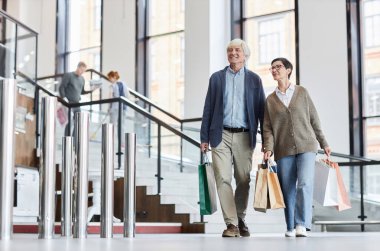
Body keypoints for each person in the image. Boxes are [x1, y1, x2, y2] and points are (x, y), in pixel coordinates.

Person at [200, 38, 265, 237]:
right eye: (230, 50)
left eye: (237, 50)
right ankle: (231, 224)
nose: (233, 53)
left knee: (244, 179)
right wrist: (204, 137)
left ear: (245, 55)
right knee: (222, 178)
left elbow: (262, 111)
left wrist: (267, 142)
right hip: (220, 135)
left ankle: (240, 217)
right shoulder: (217, 78)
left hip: (245, 136)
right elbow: (208, 108)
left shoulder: (254, 80)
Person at [262, 57, 332, 238]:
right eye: (272, 68)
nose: (274, 70)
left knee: (305, 183)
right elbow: (267, 128)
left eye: (278, 67)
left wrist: (323, 142)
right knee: (287, 188)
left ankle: (302, 223)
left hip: (306, 145)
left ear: (288, 70)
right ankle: (291, 225)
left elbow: (314, 119)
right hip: (283, 148)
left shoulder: (302, 92)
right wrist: (267, 148)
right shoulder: (270, 100)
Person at [58, 61, 97, 135]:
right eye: (81, 70)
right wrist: (63, 99)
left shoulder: (82, 79)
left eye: (84, 71)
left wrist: (91, 91)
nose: (82, 72)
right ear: (78, 67)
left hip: (77, 103)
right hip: (68, 103)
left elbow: (82, 91)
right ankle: (67, 138)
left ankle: (74, 140)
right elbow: (61, 87)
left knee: (78, 122)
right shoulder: (69, 75)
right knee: (69, 122)